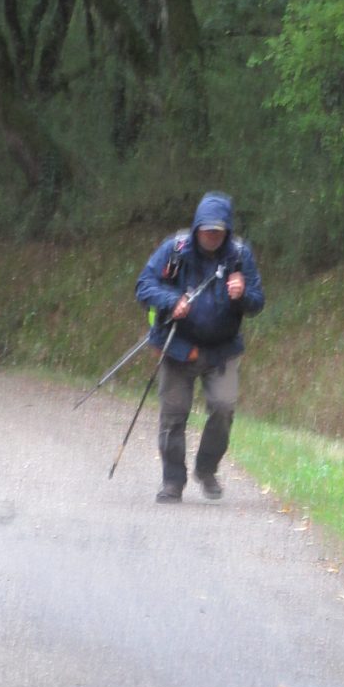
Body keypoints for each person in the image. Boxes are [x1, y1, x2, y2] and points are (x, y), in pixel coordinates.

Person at [135, 191, 264, 503]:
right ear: (196, 228)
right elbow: (144, 286)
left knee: (223, 410)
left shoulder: (239, 255)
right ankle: (172, 483)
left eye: (217, 231)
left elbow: (258, 302)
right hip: (178, 346)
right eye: (206, 230)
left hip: (222, 350)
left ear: (227, 231)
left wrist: (243, 293)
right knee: (174, 415)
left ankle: (206, 469)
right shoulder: (175, 249)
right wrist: (171, 301)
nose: (211, 236)